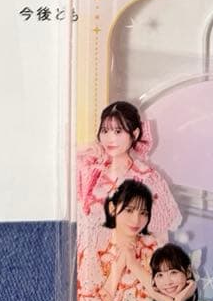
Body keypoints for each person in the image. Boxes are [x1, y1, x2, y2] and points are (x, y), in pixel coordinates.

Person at [76, 100, 181, 245]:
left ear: (135, 134)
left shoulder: (146, 177)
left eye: (118, 131)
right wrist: (83, 149)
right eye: (105, 131)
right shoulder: (92, 169)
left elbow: (160, 236)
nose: (110, 138)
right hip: (86, 252)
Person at [77, 179, 158, 301]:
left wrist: (134, 264)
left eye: (143, 213)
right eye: (129, 210)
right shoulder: (97, 245)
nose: (136, 220)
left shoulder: (151, 246)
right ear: (113, 208)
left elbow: (161, 294)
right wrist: (121, 262)